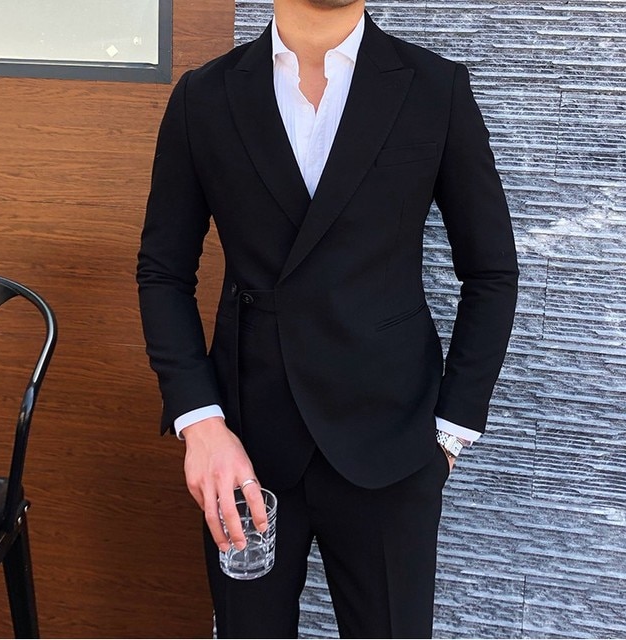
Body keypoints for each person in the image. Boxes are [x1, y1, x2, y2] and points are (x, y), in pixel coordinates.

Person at [136, 0, 518, 637]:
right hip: (245, 448)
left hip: (392, 444)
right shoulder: (204, 96)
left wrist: (450, 433)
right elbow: (164, 272)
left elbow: (491, 271)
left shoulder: (434, 87)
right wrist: (200, 424)